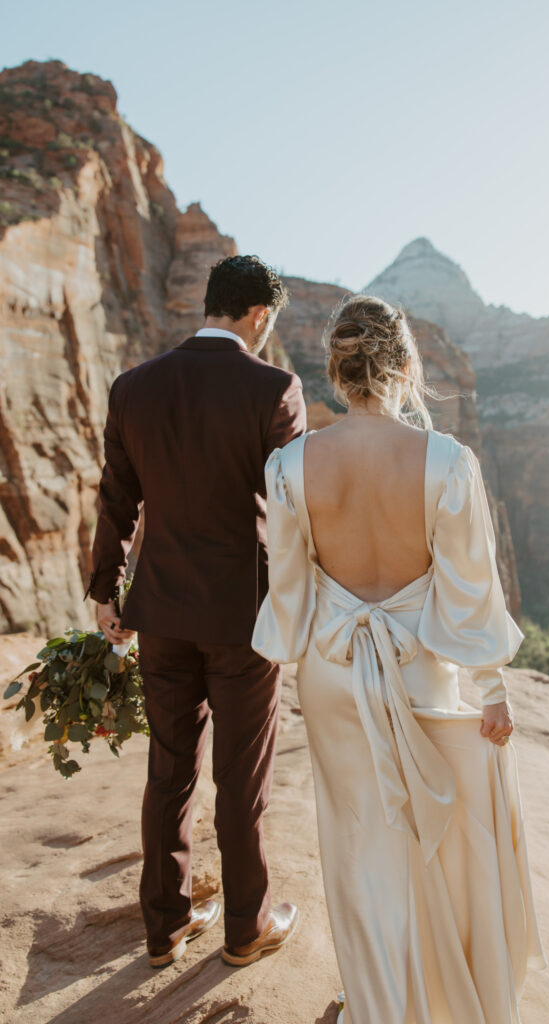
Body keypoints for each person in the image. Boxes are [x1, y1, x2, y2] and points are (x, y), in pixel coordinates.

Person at [252, 294, 548, 1023]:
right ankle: (443, 997)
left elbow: (287, 591)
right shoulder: (446, 461)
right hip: (422, 667)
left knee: (358, 843)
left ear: (333, 369)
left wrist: (291, 653)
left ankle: (379, 1001)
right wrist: (491, 688)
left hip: (332, 670)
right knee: (438, 838)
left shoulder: (288, 466)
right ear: (405, 365)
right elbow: (470, 590)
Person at [85, 255, 305, 969]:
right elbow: (297, 508)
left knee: (168, 771)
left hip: (161, 614)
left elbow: (117, 497)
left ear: (208, 304)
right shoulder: (272, 387)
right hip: (244, 619)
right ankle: (246, 926)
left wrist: (103, 591)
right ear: (258, 316)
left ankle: (165, 925)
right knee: (241, 781)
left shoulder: (133, 387)